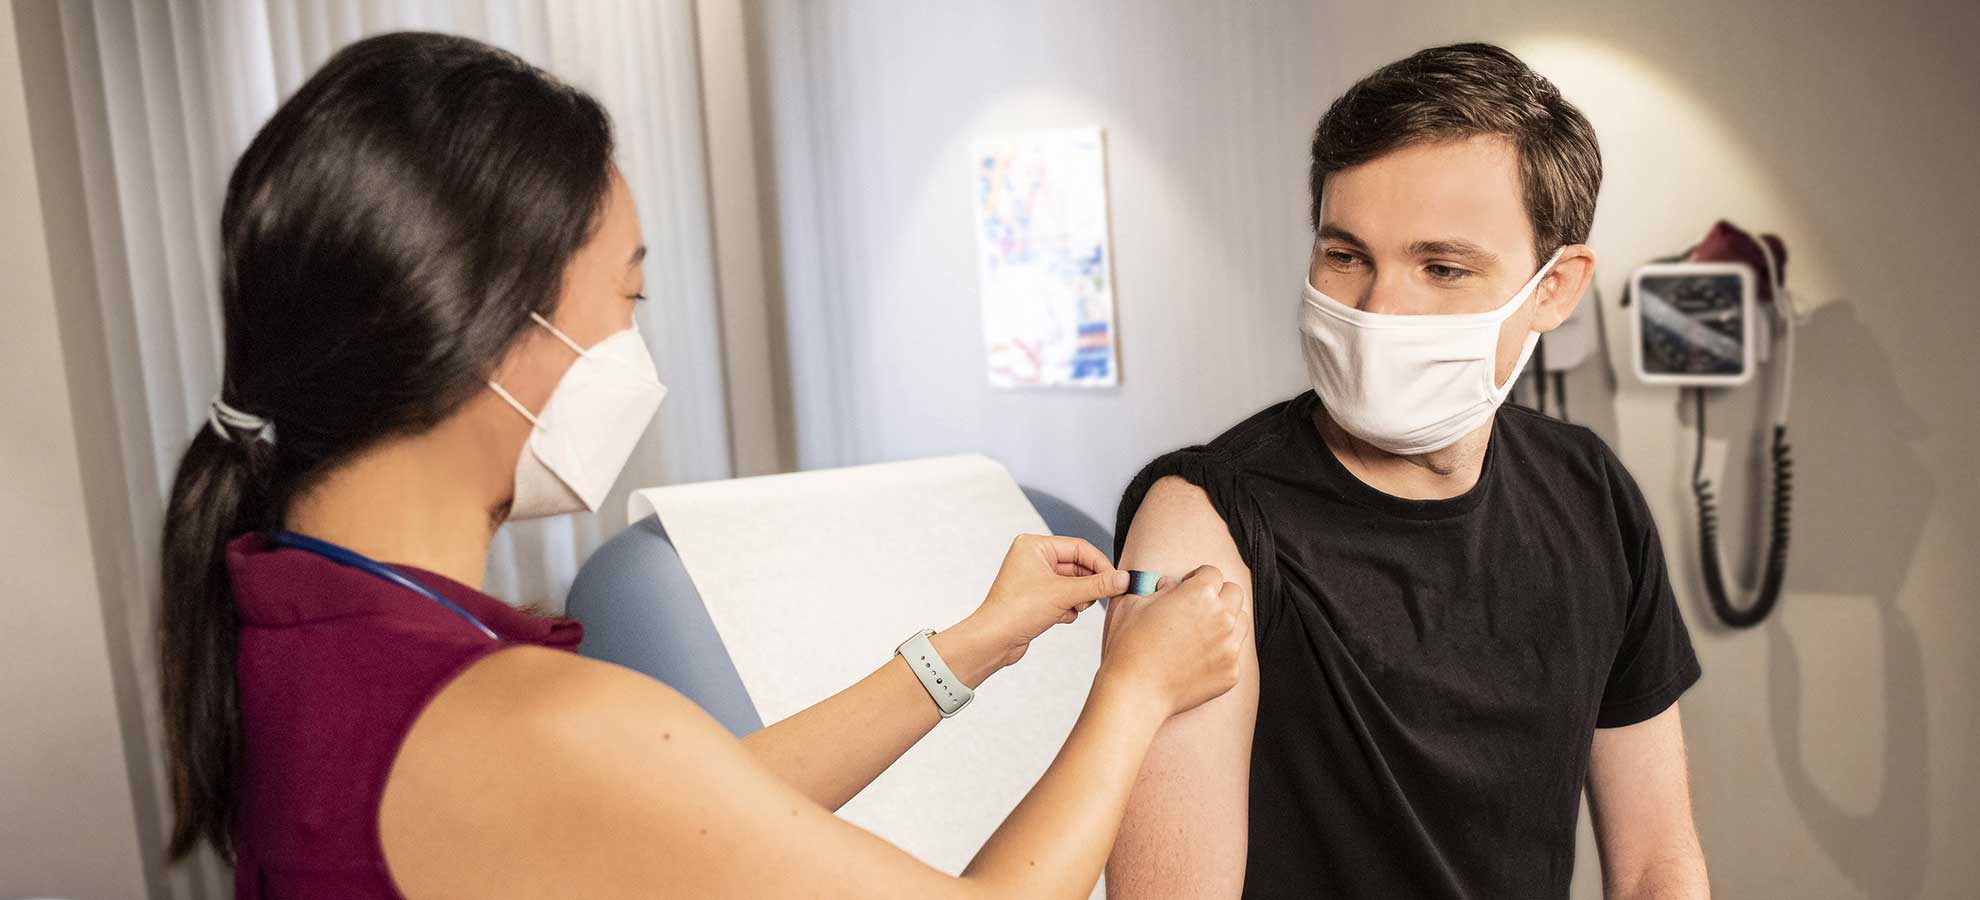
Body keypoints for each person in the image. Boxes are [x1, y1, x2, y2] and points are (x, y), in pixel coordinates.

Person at [158, 31, 1248, 899]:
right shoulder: (514, 718)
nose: (637, 346)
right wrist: (1132, 690)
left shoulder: (300, 614)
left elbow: (689, 811)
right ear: (496, 327)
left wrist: (969, 649)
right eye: (628, 298)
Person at [1104, 44, 1708, 899]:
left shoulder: (1592, 494)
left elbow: (1658, 864)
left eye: (1443, 268)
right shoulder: (1206, 524)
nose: (1378, 311)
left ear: (1555, 287)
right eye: (1346, 255)